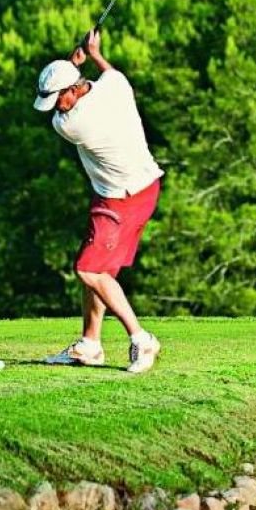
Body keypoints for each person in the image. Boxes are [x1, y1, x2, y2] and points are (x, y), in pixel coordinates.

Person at [33, 28, 163, 374]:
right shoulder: (116, 85)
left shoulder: (74, 123)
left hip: (120, 199)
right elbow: (110, 73)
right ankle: (90, 344)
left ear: (73, 90)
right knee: (100, 271)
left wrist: (74, 62)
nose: (55, 107)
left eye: (57, 99)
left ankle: (142, 339)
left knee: (88, 270)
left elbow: (61, 118)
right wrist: (93, 54)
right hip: (146, 187)